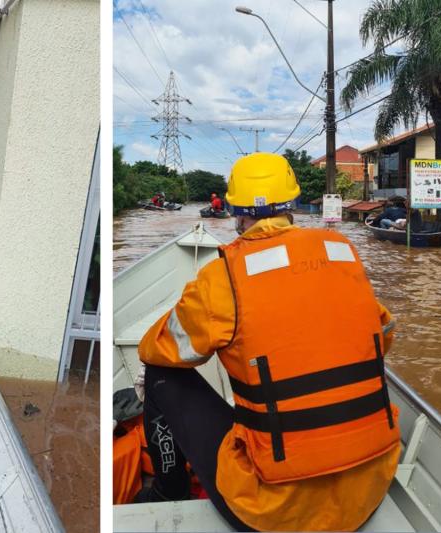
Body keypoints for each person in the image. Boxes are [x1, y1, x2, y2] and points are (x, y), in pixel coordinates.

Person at [136, 152, 400, 531]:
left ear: (234, 212)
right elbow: (384, 334)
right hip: (368, 491)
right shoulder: (342, 254)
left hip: (273, 512)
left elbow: (157, 349)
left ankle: (166, 490)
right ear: (291, 204)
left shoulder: (223, 277)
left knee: (161, 376)